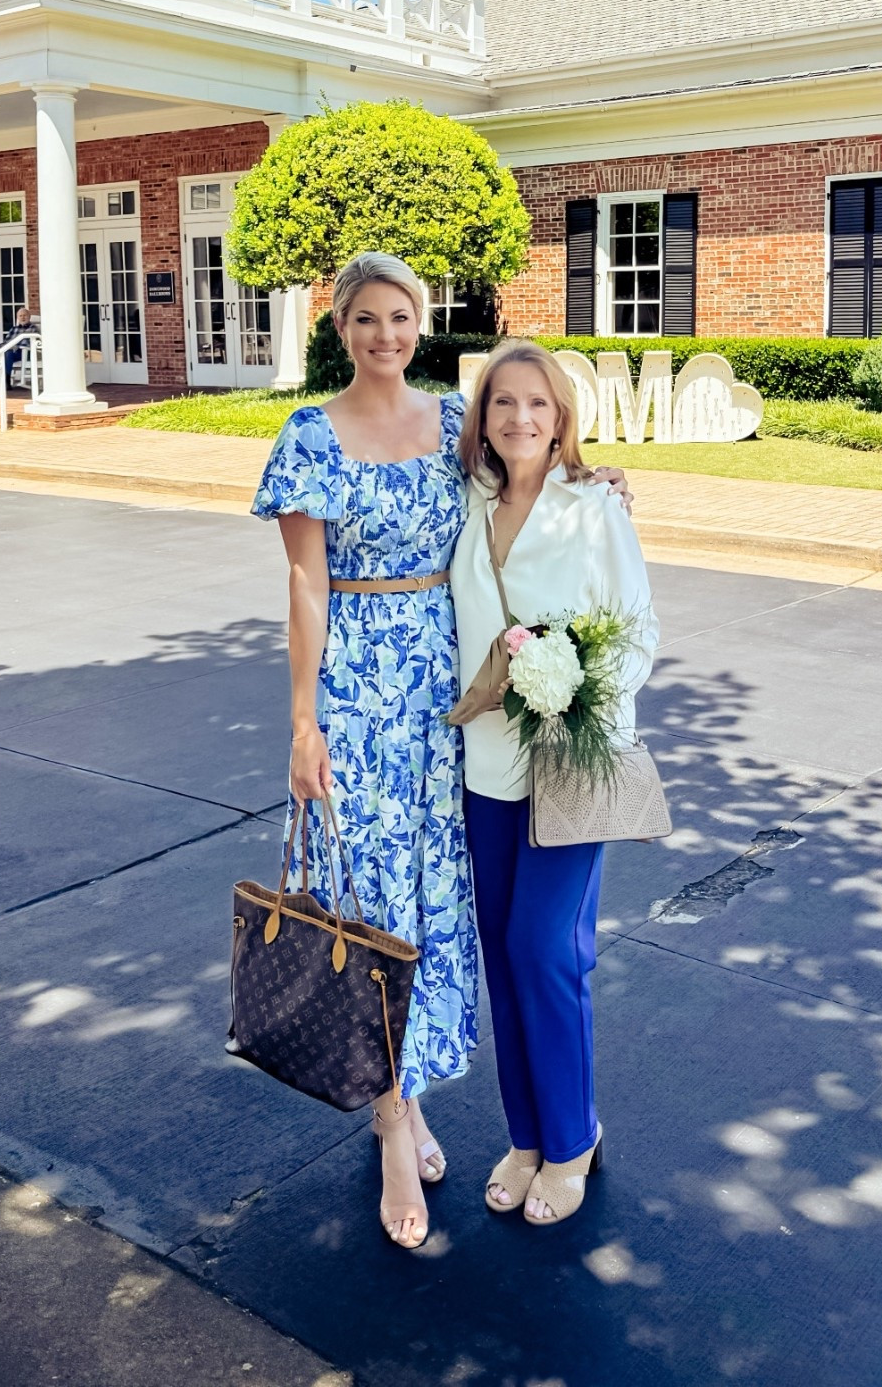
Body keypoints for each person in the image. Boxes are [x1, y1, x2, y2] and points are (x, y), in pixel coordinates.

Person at [252, 254, 632, 1252]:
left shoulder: (446, 430)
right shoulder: (308, 436)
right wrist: (302, 720)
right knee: (372, 908)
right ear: (339, 326)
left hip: (457, 710)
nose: (387, 333)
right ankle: (389, 1125)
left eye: (403, 316)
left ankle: (423, 1096)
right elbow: (304, 588)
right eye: (368, 317)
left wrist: (598, 476)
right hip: (362, 705)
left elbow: (527, 475)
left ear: (421, 324)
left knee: (437, 906)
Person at [452, 341, 659, 1227]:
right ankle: (527, 1136)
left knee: (547, 949)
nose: (520, 419)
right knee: (501, 955)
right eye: (503, 403)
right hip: (488, 766)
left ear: (562, 416)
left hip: (572, 762)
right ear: (483, 416)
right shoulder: (464, 498)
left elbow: (641, 632)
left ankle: (574, 1140)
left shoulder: (594, 509)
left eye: (538, 404)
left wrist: (573, 684)